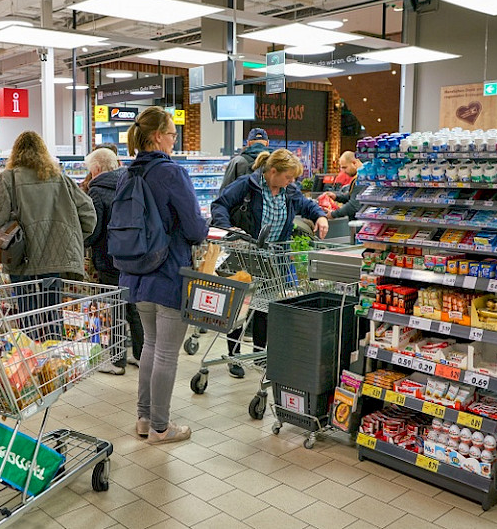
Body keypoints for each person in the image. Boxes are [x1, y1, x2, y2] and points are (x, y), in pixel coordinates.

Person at [117, 107, 208, 445]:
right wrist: (205, 225)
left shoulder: (128, 174)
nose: (174, 140)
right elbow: (195, 229)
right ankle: (160, 427)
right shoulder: (171, 173)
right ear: (157, 136)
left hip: (135, 273)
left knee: (150, 347)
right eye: (171, 134)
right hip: (169, 272)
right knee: (167, 353)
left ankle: (144, 419)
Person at [211, 149, 329, 378]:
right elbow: (219, 205)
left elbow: (306, 205)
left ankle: (259, 353)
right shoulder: (247, 186)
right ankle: (233, 356)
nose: (291, 182)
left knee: (265, 308)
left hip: (273, 259)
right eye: (288, 177)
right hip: (245, 255)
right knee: (238, 307)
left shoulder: (289, 190)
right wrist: (230, 229)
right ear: (272, 172)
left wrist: (320, 216)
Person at [0, 131, 96, 287]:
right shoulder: (60, 179)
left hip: (21, 259)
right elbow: (89, 215)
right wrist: (70, 238)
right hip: (56, 260)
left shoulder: (9, 178)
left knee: (28, 310)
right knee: (51, 308)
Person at [83, 147, 144, 374]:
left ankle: (117, 362)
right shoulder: (131, 183)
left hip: (108, 259)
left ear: (97, 168)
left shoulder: (97, 192)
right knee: (132, 307)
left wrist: (84, 242)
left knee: (115, 308)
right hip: (133, 256)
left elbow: (94, 230)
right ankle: (140, 355)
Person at [324, 151, 365, 221]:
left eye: (345, 167)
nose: (343, 171)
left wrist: (333, 214)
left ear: (354, 163)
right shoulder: (358, 177)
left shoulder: (362, 178)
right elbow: (352, 196)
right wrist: (336, 197)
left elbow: (353, 206)